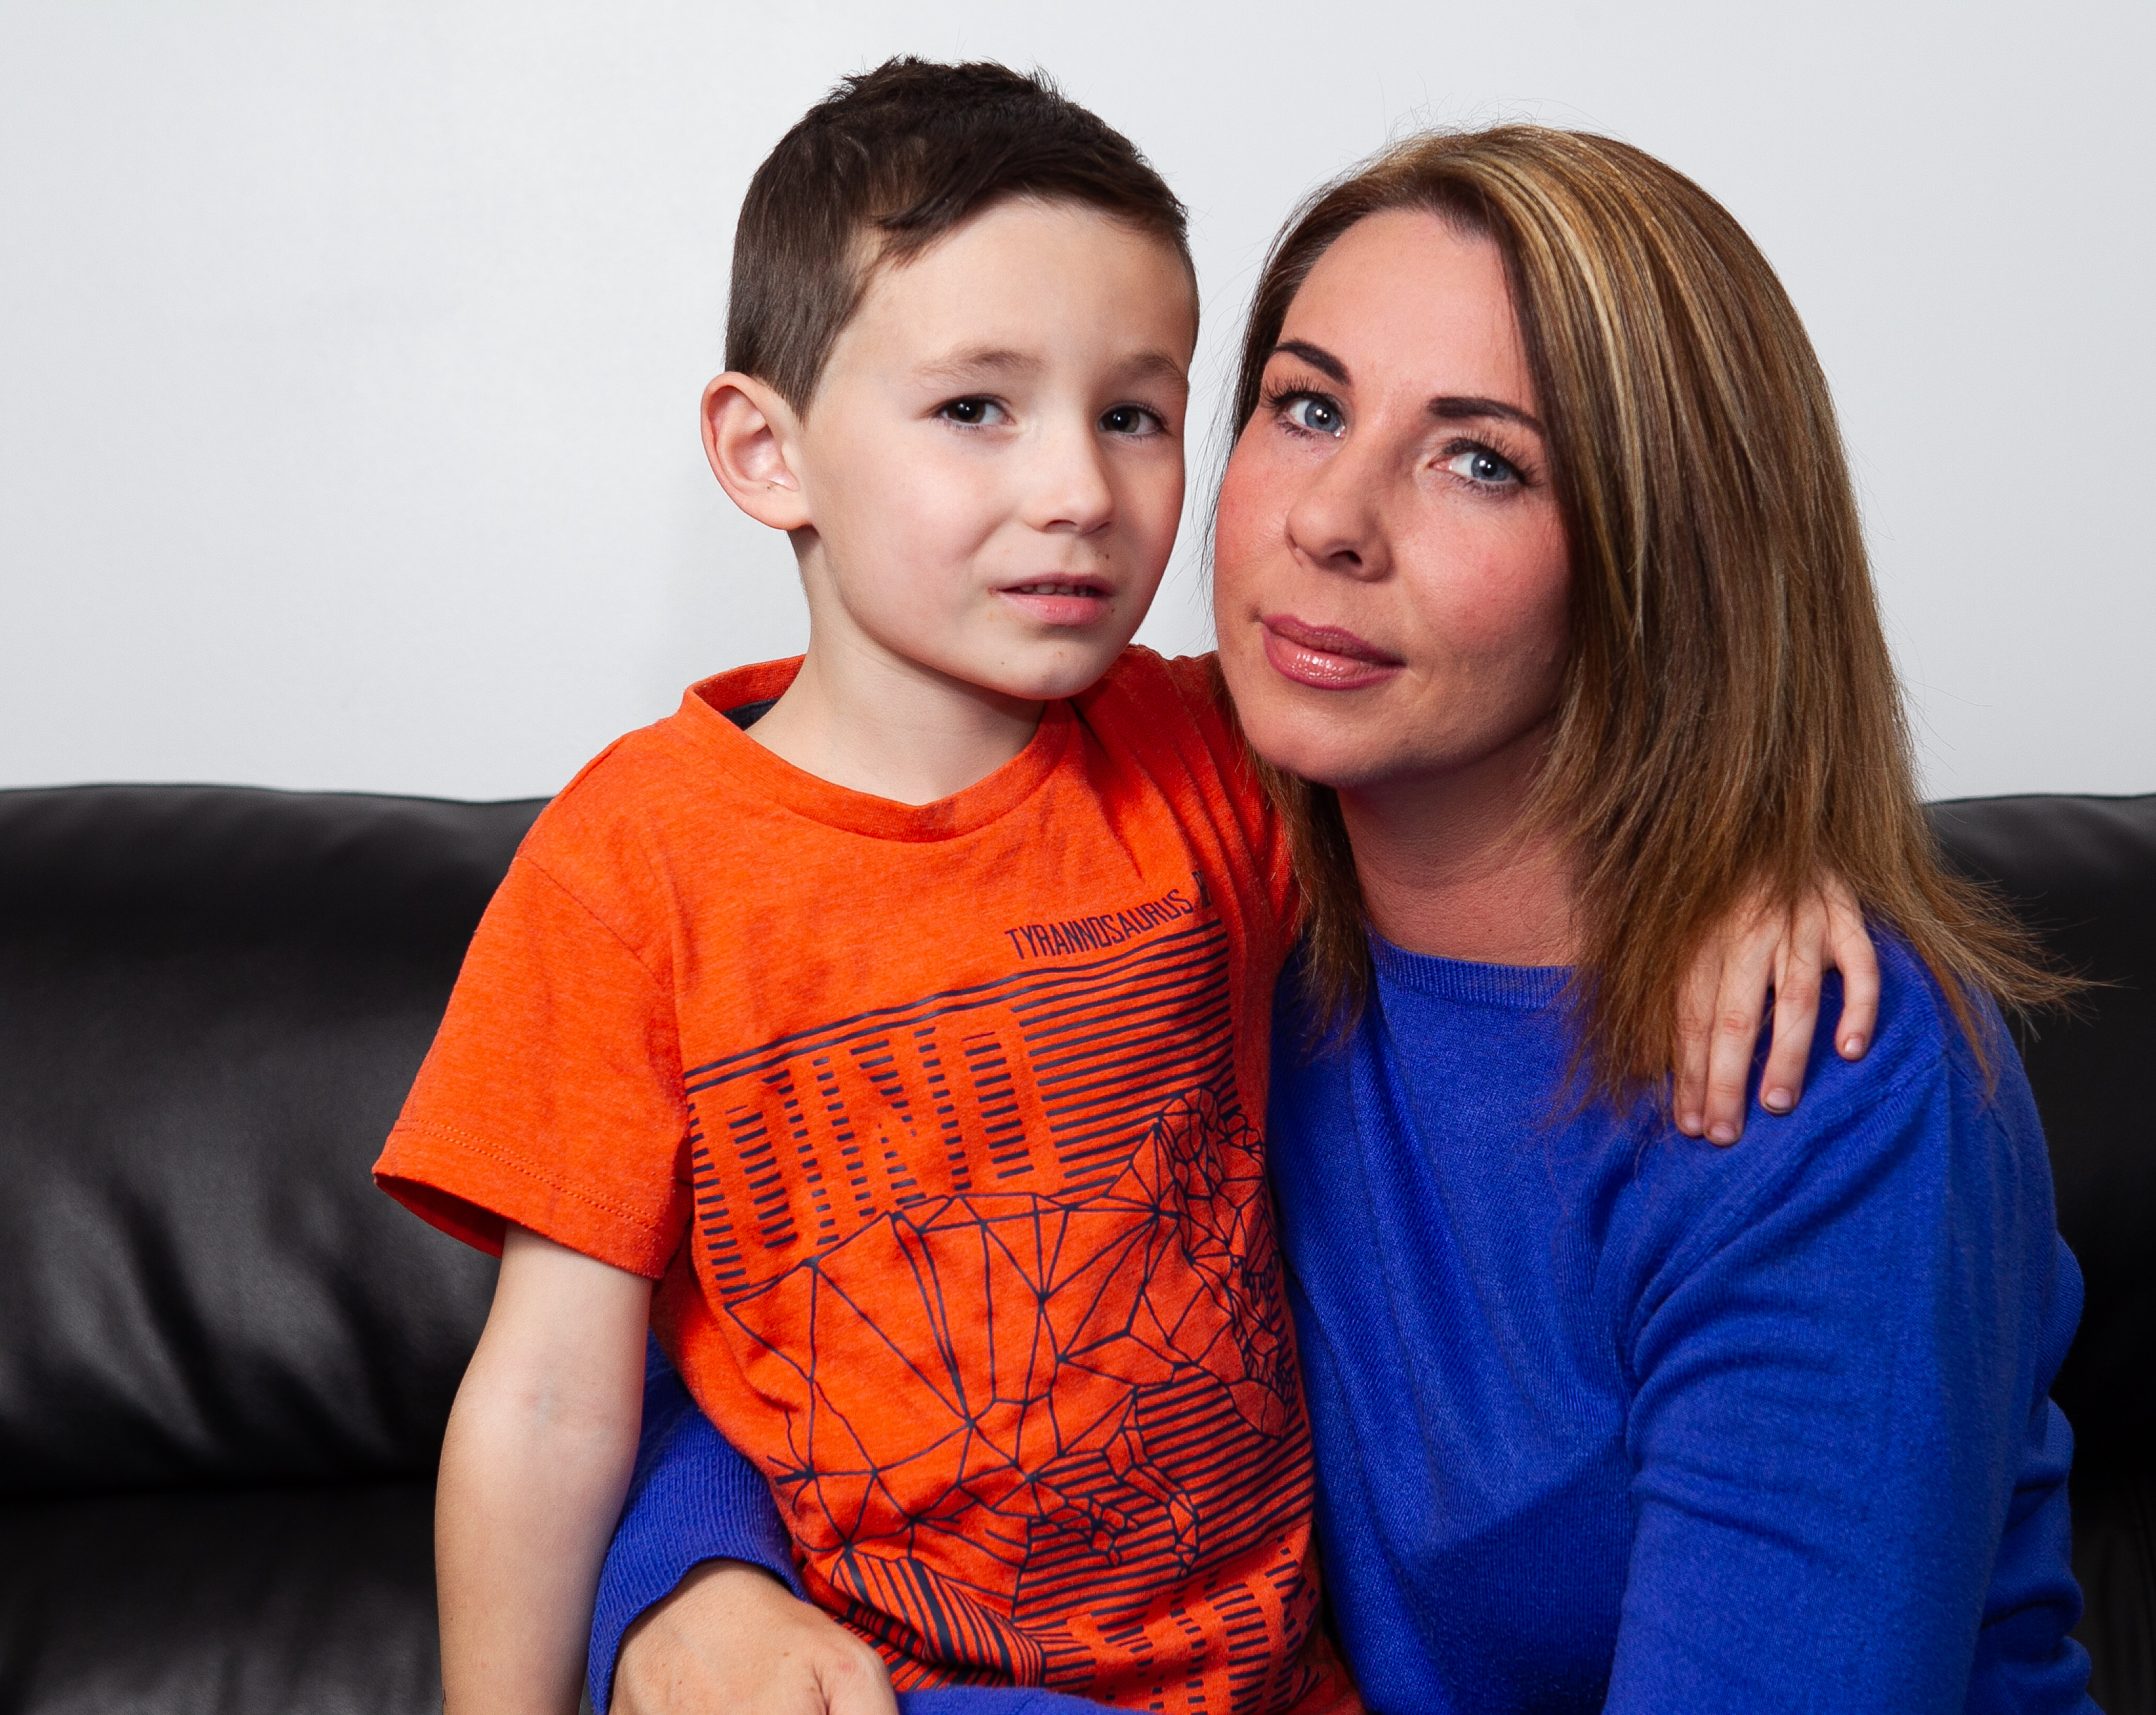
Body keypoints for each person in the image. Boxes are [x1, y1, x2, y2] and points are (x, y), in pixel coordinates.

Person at [372, 65, 1874, 1715]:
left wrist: (1763, 857)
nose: (1080, 490)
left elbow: (1579, 754)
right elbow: (549, 1402)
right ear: (764, 450)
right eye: (976, 410)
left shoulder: (1218, 760)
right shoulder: (630, 865)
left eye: (1136, 414)